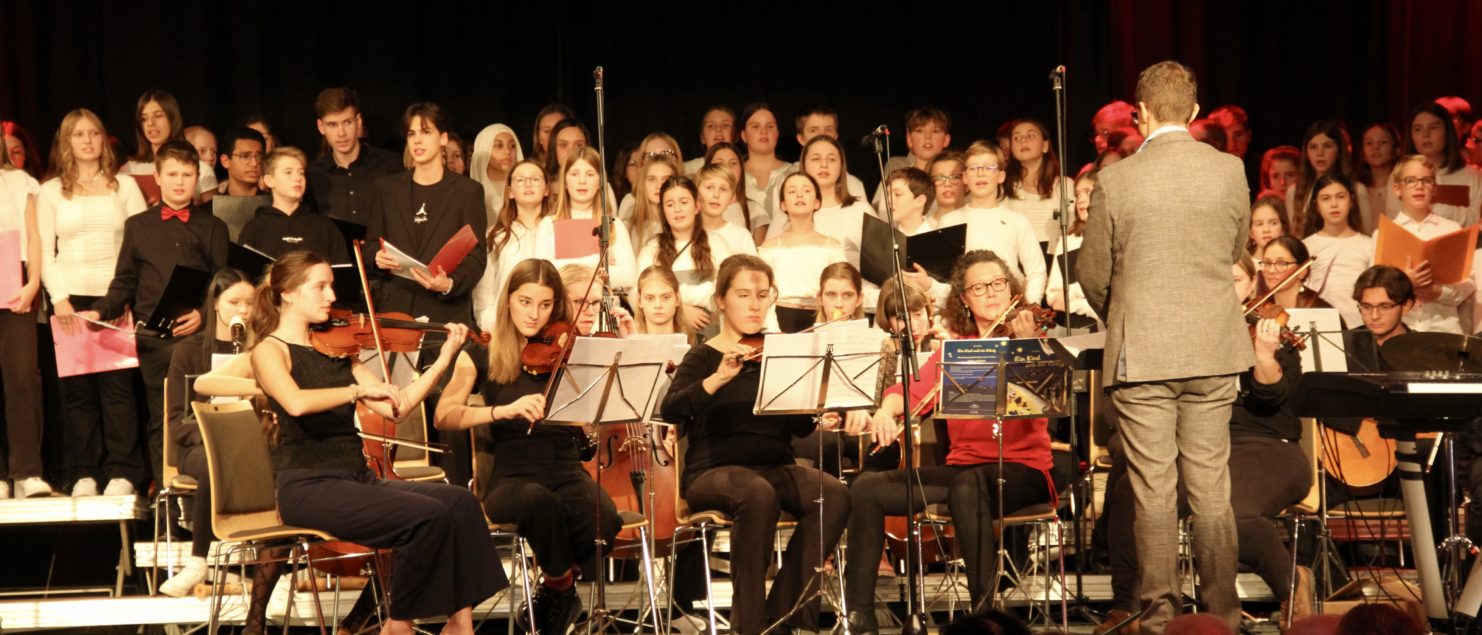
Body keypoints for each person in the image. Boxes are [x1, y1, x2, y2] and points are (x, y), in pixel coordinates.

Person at [1077, 60, 1252, 633]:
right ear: (1195, 111)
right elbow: (1234, 248)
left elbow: (1093, 273)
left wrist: (1127, 312)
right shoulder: (1229, 169)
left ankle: (1158, 621)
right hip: (1212, 347)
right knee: (1211, 490)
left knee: (1154, 491)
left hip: (1144, 352)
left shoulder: (1117, 178)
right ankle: (1222, 616)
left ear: (1141, 113)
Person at [250, 250, 503, 635]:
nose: (332, 296)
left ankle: (459, 624)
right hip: (307, 486)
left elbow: (396, 409)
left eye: (331, 286)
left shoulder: (335, 347)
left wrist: (443, 359)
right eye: (320, 287)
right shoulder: (270, 350)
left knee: (461, 503)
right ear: (287, 294)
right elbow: (295, 402)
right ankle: (398, 624)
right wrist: (355, 391)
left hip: (355, 478)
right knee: (427, 517)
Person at [843, 250, 1055, 632]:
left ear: (1011, 289)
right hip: (964, 470)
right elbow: (909, 392)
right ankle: (859, 619)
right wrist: (885, 412)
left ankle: (985, 621)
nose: (991, 292)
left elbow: (1049, 404)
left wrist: (1028, 347)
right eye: (979, 287)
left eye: (998, 283)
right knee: (867, 488)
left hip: (1024, 470)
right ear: (964, 299)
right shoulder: (956, 351)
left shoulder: (1034, 340)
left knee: (968, 485)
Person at [661, 253, 851, 634]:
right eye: (743, 295)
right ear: (721, 300)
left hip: (774, 467)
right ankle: (747, 625)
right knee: (757, 494)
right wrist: (718, 378)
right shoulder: (702, 356)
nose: (754, 305)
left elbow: (798, 428)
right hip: (712, 472)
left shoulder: (776, 353)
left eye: (762, 295)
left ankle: (780, 616)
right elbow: (672, 409)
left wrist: (814, 399)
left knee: (834, 494)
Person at [434, 257, 618, 635]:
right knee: (539, 503)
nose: (535, 314)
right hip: (512, 475)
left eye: (545, 304)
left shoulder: (569, 351)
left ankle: (553, 590)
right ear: (508, 301)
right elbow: (444, 415)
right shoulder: (481, 352)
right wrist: (503, 410)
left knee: (602, 516)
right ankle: (561, 591)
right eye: (525, 302)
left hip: (567, 469)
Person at [82, 140, 230, 488]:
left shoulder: (213, 227)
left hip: (197, 339)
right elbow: (126, 281)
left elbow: (223, 283)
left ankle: (205, 493)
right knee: (160, 419)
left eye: (187, 175)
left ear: (197, 177)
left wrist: (203, 315)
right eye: (172, 174)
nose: (180, 182)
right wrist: (101, 309)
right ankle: (167, 493)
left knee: (200, 416)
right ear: (158, 177)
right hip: (154, 340)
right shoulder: (138, 226)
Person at [38, 109, 150, 498]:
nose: (87, 141)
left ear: (104, 139)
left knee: (118, 389)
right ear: (66, 142)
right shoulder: (51, 191)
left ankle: (123, 470)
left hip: (115, 295)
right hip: (70, 298)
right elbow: (46, 251)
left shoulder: (125, 186)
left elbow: (140, 245)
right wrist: (60, 299)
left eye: (94, 133)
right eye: (78, 134)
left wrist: (124, 296)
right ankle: (83, 471)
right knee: (77, 392)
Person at [157, 268, 256, 596]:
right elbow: (177, 420)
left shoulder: (260, 350)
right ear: (215, 303)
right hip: (198, 447)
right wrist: (215, 437)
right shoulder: (189, 350)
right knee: (217, 462)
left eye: (250, 303)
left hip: (248, 444)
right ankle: (198, 560)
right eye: (234, 302)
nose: (243, 310)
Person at [366, 103, 487, 326]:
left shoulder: (467, 192)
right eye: (412, 134)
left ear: (443, 138)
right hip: (396, 311)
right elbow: (372, 244)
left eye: (425, 132)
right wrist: (376, 257)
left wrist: (449, 284)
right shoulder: (387, 189)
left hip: (445, 314)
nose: (417, 140)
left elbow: (476, 256)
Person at [0, 124, 47, 499]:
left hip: (12, 278)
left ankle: (27, 472)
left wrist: (33, 282)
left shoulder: (19, 181)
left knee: (21, 377)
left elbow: (34, 235)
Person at [939, 142, 1048, 304]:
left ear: (1001, 176)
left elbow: (1036, 270)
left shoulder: (1016, 221)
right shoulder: (950, 221)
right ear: (965, 177)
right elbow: (942, 276)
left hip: (1010, 305)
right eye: (973, 168)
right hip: (967, 305)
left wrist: (1031, 306)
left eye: (989, 168)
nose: (980, 174)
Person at [1388, 155, 1473, 334]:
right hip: (1402, 329)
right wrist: (1405, 283)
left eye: (1426, 180)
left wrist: (1438, 292)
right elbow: (1376, 292)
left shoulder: (1451, 229)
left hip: (1444, 329)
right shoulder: (1385, 233)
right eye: (1410, 180)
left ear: (1434, 188)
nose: (1419, 186)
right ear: (1397, 189)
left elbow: (1468, 285)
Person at [636, 175, 731, 333]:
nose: (677, 209)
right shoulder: (652, 248)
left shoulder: (716, 244)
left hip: (711, 334)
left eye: (684, 202)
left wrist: (675, 297)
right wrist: (680, 309)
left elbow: (727, 291)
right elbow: (638, 294)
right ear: (663, 210)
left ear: (697, 206)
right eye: (670, 204)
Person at [757, 172, 847, 332]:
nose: (799, 195)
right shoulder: (769, 248)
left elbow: (841, 286)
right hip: (780, 316)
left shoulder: (832, 246)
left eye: (806, 190)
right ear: (783, 205)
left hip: (821, 316)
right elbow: (763, 292)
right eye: (792, 191)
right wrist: (772, 328)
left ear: (817, 203)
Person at [306, 87, 403, 225]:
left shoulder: (390, 165)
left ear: (358, 121)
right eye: (332, 125)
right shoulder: (313, 175)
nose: (341, 133)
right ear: (321, 127)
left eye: (347, 122)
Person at [473, 159, 549, 332]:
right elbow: (484, 293)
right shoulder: (495, 236)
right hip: (505, 328)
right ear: (510, 192)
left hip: (551, 330)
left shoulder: (557, 230)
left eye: (535, 179)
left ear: (546, 189)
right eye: (520, 180)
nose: (528, 184)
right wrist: (493, 326)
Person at [238, 146, 349, 264]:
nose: (297, 178)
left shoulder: (324, 226)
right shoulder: (255, 228)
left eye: (301, 173)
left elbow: (342, 270)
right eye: (288, 172)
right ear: (269, 181)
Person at [549, 147, 638, 291]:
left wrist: (567, 268)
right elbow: (547, 273)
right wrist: (597, 261)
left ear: (600, 181)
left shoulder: (613, 225)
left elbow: (628, 277)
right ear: (564, 181)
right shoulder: (549, 225)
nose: (582, 181)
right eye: (574, 174)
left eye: (590, 174)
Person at [119, 90, 218, 203]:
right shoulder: (129, 169)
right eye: (144, 119)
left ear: (173, 119)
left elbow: (211, 213)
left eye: (158, 116)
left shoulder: (201, 169)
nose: (150, 123)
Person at [1301, 174, 1373, 326]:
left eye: (1340, 197)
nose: (1334, 204)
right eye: (1325, 199)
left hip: (1359, 325)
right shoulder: (1305, 246)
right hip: (1319, 324)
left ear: (1351, 200)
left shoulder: (1368, 245)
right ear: (1316, 205)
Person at [1396, 101, 1482, 227]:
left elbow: (1477, 220)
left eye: (1433, 127)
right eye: (1418, 129)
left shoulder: (1472, 176)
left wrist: (1435, 209)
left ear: (1447, 131)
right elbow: (1395, 220)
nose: (1425, 135)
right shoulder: (1398, 176)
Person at [1286, 120, 1372, 236]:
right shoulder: (1294, 192)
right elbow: (1295, 236)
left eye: (1327, 146)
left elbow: (1366, 233)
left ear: (1339, 150)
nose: (1319, 153)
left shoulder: (1357, 190)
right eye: (1313, 147)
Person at [1004, 119, 1071, 246]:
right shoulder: (1004, 187)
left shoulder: (1064, 185)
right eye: (1016, 138)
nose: (1023, 140)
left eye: (1030, 135)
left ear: (1045, 146)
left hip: (1056, 254)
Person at [871, 107, 953, 211]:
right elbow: (878, 213)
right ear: (909, 139)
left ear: (946, 140)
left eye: (935, 131)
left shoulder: (953, 180)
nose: (928, 136)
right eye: (919, 131)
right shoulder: (894, 177)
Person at [1047, 169, 1097, 323]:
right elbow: (1054, 296)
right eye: (1077, 195)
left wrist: (1071, 294)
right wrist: (1082, 306)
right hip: (1078, 325)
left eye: (1088, 192)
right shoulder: (1069, 240)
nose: (1080, 200)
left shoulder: (1117, 236)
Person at [738, 103, 789, 232]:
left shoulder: (793, 172)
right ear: (744, 135)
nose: (764, 131)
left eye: (770, 126)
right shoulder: (734, 175)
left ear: (777, 134)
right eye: (755, 126)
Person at [696, 162, 758, 256]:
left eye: (723, 189)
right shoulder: (685, 234)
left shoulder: (741, 236)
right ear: (696, 193)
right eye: (709, 188)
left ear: (732, 198)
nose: (716, 194)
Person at [469, 123, 524, 225]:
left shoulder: (527, 187)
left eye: (512, 146)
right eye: (499, 146)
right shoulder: (468, 192)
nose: (507, 151)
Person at [633, 265, 696, 343]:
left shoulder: (696, 345)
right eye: (650, 298)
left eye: (666, 297)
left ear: (677, 299)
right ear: (639, 301)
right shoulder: (629, 346)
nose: (658, 305)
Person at [1356, 124, 1402, 228]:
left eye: (1383, 142)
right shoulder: (1358, 190)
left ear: (1397, 150)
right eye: (1369, 143)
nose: (1375, 147)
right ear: (1362, 153)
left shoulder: (1403, 187)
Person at [683, 105, 737, 175]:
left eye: (726, 125)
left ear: (736, 136)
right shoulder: (687, 170)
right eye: (711, 126)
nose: (718, 129)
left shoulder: (744, 170)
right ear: (702, 138)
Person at [215, 127, 267, 196]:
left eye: (259, 157)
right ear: (225, 161)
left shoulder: (275, 201)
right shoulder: (215, 202)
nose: (254, 163)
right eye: (245, 156)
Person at [929, 150, 967, 222]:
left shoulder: (979, 221)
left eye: (955, 177)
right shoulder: (923, 226)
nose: (947, 184)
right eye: (939, 178)